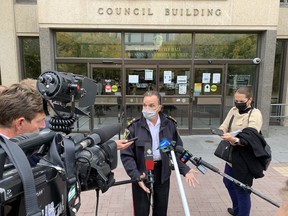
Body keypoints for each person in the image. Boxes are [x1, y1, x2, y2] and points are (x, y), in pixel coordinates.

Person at [120, 90, 199, 216]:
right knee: (141, 211)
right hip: (142, 172)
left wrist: (185, 169)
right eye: (144, 105)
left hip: (162, 173)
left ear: (160, 107)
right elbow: (126, 155)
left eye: (151, 105)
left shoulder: (169, 124)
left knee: (161, 211)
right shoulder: (133, 127)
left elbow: (176, 150)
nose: (147, 109)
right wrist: (135, 175)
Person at [218, 86, 266, 216]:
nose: (238, 103)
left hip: (245, 156)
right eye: (236, 100)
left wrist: (235, 139)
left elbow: (252, 136)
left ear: (250, 99)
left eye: (241, 101)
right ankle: (237, 209)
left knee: (242, 189)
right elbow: (224, 125)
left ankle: (242, 213)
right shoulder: (233, 111)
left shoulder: (255, 114)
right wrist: (222, 131)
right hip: (232, 155)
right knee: (228, 181)